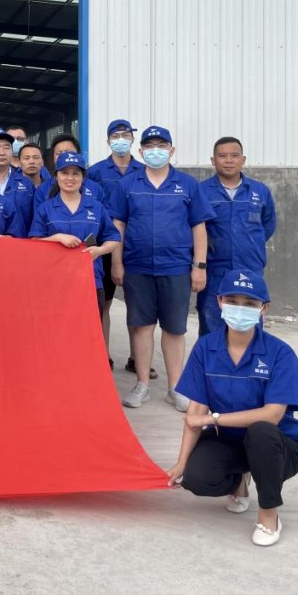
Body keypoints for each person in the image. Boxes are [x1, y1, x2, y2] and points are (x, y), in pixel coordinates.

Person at [166, 269, 298, 547]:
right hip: (230, 442)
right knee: (197, 478)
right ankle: (238, 482)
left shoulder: (280, 353)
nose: (240, 309)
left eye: (249, 303)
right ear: (220, 301)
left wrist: (213, 419)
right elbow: (195, 412)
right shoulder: (206, 348)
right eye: (233, 301)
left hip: (278, 446)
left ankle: (268, 514)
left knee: (261, 431)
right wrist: (181, 463)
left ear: (264, 308)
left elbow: (272, 415)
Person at [108, 126, 216, 411]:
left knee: (174, 328)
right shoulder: (128, 185)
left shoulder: (187, 185)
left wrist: (199, 266)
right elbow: (118, 225)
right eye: (150, 146)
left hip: (176, 268)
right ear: (141, 151)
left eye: (161, 145)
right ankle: (142, 384)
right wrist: (117, 262)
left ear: (171, 150)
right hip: (138, 267)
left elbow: (199, 227)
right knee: (141, 326)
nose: (155, 150)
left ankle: (175, 387)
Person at [29, 152, 122, 351]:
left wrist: (99, 250)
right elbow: (33, 242)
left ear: (83, 177)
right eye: (64, 173)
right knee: (55, 335)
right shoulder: (46, 208)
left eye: (75, 173)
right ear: (56, 176)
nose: (70, 178)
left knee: (87, 335)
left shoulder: (96, 208)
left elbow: (114, 238)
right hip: (54, 282)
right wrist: (57, 238)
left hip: (90, 280)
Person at [197, 137, 278, 336]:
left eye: (234, 156)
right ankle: (213, 357)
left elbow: (267, 226)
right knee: (212, 323)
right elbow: (195, 229)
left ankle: (248, 357)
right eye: (222, 156)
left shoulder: (259, 191)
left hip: (250, 268)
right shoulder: (201, 191)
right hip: (215, 271)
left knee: (249, 325)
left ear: (243, 159)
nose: (229, 160)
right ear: (213, 160)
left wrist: (248, 247)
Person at [87, 120, 148, 375]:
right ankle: (104, 356)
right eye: (115, 135)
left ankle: (137, 358)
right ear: (108, 141)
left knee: (139, 306)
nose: (121, 139)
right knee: (105, 304)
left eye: (125, 135)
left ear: (133, 139)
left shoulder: (144, 170)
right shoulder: (96, 172)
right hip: (106, 245)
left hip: (138, 246)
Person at [0, 128, 35, 235]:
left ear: (12, 151)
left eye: (7, 147)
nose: (2, 153)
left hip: (19, 243)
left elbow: (35, 220)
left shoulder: (26, 184)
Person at [34, 133, 105, 205]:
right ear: (53, 158)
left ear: (79, 155)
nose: (64, 156)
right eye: (59, 153)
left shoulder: (95, 189)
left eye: (68, 152)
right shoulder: (42, 190)